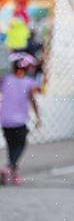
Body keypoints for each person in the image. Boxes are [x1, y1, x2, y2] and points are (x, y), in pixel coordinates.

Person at [0, 51, 41, 186]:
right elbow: (33, 100)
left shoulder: (6, 80)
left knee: (11, 146)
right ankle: (9, 167)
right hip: (19, 121)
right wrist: (38, 117)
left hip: (5, 119)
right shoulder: (29, 82)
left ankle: (13, 173)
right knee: (21, 145)